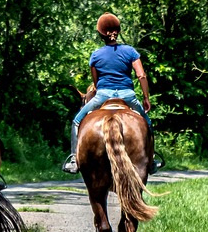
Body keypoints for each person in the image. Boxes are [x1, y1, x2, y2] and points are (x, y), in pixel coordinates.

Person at [61, 13, 154, 174]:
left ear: (100, 34)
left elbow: (96, 84)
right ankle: (151, 160)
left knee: (76, 121)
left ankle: (75, 159)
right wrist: (146, 97)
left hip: (103, 95)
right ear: (118, 31)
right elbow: (141, 75)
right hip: (127, 96)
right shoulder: (130, 52)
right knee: (147, 123)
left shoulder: (96, 55)